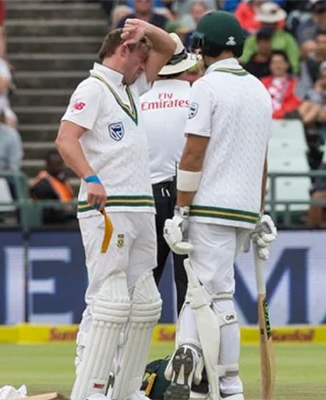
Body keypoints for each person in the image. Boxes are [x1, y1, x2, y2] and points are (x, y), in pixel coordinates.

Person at [55, 19, 175, 400]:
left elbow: (168, 48)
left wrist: (145, 29)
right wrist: (90, 178)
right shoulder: (93, 88)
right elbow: (65, 139)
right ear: (123, 51)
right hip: (109, 207)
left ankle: (124, 387)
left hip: (141, 206)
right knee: (108, 300)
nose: (146, 66)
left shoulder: (131, 87)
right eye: (141, 57)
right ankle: (90, 384)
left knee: (143, 304)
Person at [161, 10, 276, 400]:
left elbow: (193, 153)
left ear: (202, 48)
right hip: (243, 207)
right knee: (219, 294)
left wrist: (180, 210)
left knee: (201, 294)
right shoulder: (260, 90)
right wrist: (258, 212)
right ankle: (226, 384)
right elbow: (262, 158)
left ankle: (198, 378)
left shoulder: (206, 88)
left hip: (210, 205)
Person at [140, 33, 200, 316]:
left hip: (147, 196)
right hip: (188, 196)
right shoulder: (197, 95)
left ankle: (126, 358)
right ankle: (189, 355)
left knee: (141, 283)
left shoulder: (137, 99)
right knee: (189, 283)